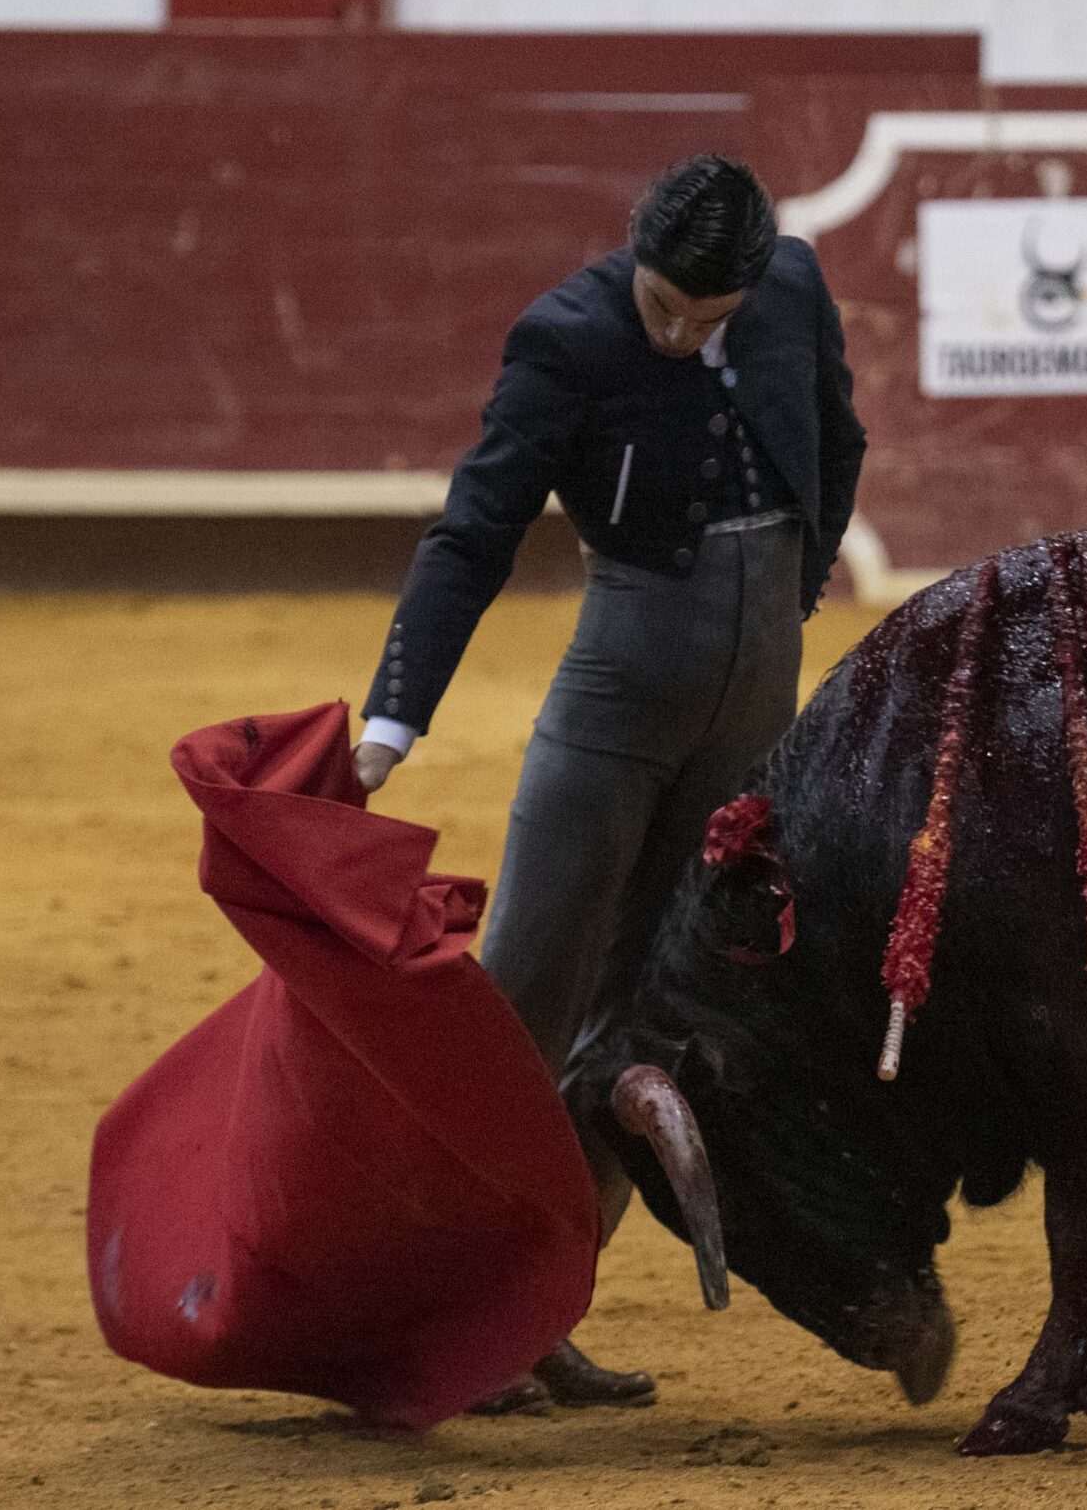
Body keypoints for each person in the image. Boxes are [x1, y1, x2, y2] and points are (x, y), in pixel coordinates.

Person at [352, 154, 865, 1413]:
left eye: (710, 315)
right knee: (526, 995)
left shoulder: (790, 288)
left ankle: (538, 1319)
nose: (684, 333)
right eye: (663, 309)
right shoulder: (567, 336)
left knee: (658, 1011)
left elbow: (839, 436)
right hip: (617, 698)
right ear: (632, 258)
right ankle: (445, 1315)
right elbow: (473, 528)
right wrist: (390, 721)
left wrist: (797, 599)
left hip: (752, 708)